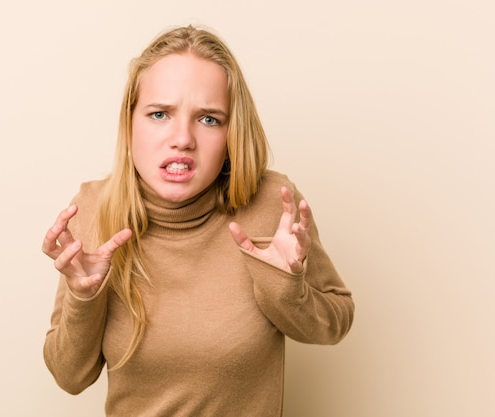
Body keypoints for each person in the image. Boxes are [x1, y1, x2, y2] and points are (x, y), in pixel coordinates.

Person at [42, 24, 354, 417]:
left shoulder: (274, 204)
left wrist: (286, 290)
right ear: (130, 123)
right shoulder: (92, 209)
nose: (182, 138)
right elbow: (69, 377)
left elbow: (335, 323)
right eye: (159, 114)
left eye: (209, 119)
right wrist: (84, 297)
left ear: (231, 133)